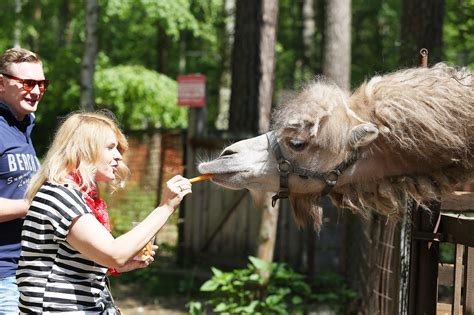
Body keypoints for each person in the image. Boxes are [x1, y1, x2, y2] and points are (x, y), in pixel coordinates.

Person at [16, 111, 192, 314]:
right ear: (82, 150)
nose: (119, 156)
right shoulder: (60, 196)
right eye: (110, 148)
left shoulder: (71, 194)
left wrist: (115, 266)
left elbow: (76, 259)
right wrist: (166, 207)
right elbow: (114, 253)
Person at [0, 47, 46, 313]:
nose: (37, 90)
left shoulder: (24, 127)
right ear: (1, 84)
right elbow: (26, 203)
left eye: (42, 83)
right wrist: (32, 206)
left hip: (27, 272)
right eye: (28, 83)